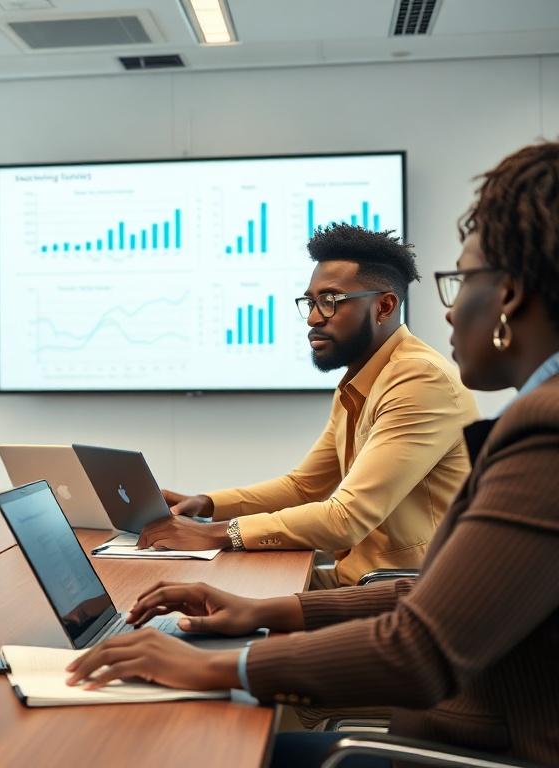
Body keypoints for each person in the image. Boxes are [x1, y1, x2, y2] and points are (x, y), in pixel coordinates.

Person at [66, 140, 559, 766]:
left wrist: (223, 665)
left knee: (196, 736)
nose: (452, 308)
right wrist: (264, 604)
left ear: (510, 294)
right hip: (459, 697)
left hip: (483, 734)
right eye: (312, 302)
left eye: (461, 281)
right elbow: (416, 578)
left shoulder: (532, 426)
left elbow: (416, 644)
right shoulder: (372, 382)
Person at [142, 225, 479, 587]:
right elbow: (304, 487)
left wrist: (217, 534)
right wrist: (205, 504)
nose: (314, 318)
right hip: (359, 580)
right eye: (311, 301)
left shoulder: (420, 380)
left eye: (331, 301)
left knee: (208, 611)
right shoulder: (360, 380)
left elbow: (345, 519)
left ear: (383, 306)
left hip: (405, 592)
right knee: (194, 595)